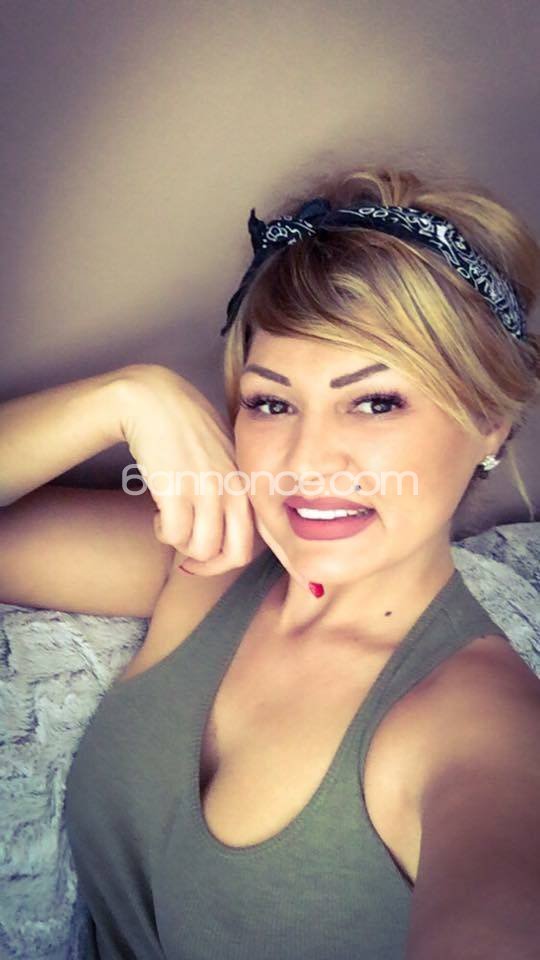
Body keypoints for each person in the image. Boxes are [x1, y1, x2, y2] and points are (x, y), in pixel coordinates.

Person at [1, 163, 539, 959]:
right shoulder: (208, 558)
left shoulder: (482, 732)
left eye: (376, 401)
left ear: (490, 422)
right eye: (272, 402)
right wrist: (121, 397)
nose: (306, 462)